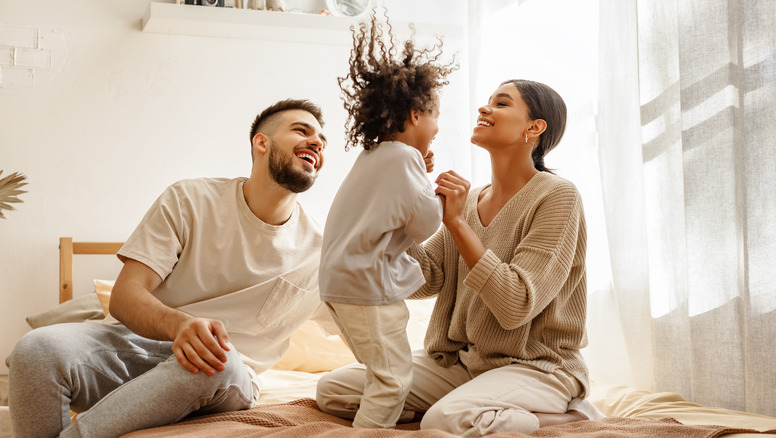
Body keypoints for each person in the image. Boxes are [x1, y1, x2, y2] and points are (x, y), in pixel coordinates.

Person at [7, 99, 330, 438]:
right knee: (35, 350)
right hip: (134, 346)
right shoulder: (190, 199)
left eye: (322, 140)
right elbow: (125, 297)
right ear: (261, 142)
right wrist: (180, 325)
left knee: (215, 359)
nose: (316, 142)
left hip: (220, 375)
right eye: (301, 130)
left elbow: (369, 329)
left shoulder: (324, 253)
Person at [316, 79, 606, 435]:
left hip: (538, 366)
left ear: (535, 128)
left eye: (501, 103)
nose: (484, 109)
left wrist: (454, 223)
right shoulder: (470, 201)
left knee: (445, 420)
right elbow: (428, 277)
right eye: (486, 102)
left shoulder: (558, 196)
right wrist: (402, 197)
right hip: (465, 364)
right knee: (334, 391)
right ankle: (474, 406)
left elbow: (516, 304)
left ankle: (571, 417)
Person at [317, 11, 458, 430]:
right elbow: (425, 224)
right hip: (366, 286)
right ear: (416, 114)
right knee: (393, 381)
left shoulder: (376, 155)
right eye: (435, 117)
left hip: (338, 284)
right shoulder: (405, 159)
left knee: (381, 372)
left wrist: (420, 174)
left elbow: (394, 208)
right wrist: (442, 197)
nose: (436, 128)